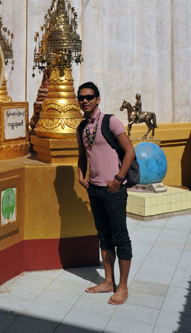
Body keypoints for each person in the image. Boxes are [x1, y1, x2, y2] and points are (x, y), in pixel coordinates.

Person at [76, 81, 135, 305]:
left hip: (113, 190)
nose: (85, 100)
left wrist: (118, 179)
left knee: (121, 238)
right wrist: (80, 174)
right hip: (95, 189)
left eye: (89, 96)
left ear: (97, 99)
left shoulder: (110, 121)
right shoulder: (82, 128)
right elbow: (82, 154)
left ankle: (123, 287)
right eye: (81, 97)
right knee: (104, 236)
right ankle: (108, 281)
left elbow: (129, 151)